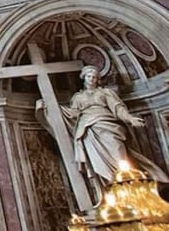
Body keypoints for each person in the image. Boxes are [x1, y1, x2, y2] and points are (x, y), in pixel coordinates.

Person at [61, 65, 168, 202]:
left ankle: (131, 189)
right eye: (89, 76)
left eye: (94, 77)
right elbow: (73, 114)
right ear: (84, 78)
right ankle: (115, 194)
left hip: (108, 125)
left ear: (98, 79)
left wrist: (130, 118)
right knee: (98, 163)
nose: (92, 79)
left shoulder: (105, 93)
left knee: (119, 154)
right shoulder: (78, 97)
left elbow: (117, 108)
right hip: (89, 130)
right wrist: (51, 107)